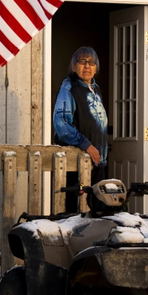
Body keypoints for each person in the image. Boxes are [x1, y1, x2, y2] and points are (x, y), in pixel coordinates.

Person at [53, 47, 109, 207]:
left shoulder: (95, 89)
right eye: (82, 61)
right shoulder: (69, 88)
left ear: (96, 68)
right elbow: (61, 124)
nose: (87, 66)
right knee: (74, 213)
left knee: (96, 211)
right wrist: (87, 145)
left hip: (96, 163)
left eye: (91, 62)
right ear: (74, 66)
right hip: (75, 163)